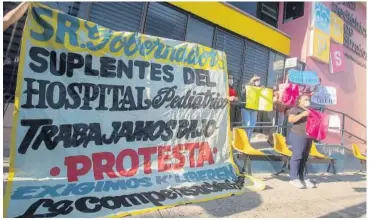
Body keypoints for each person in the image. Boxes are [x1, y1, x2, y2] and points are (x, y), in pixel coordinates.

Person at [287, 94, 315, 189]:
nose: (308, 100)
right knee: (297, 156)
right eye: (305, 99)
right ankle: (293, 178)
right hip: (298, 135)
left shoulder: (310, 110)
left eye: (308, 99)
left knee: (304, 158)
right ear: (299, 101)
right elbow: (291, 119)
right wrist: (302, 114)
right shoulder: (295, 109)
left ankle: (302, 177)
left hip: (308, 136)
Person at [241, 75, 261, 141]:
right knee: (247, 125)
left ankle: (248, 141)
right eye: (256, 80)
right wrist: (250, 81)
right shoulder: (247, 86)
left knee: (252, 125)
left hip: (254, 109)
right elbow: (243, 90)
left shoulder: (259, 88)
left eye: (258, 80)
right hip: (246, 108)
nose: (258, 82)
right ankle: (244, 142)